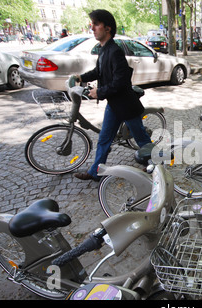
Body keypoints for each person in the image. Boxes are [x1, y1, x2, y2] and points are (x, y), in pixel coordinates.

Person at [72, 9, 152, 181]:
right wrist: (81, 77)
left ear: (107, 28)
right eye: (92, 24)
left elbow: (121, 82)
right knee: (104, 139)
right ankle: (95, 173)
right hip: (114, 105)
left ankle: (156, 163)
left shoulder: (115, 51)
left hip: (126, 105)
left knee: (141, 138)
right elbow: (98, 71)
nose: (92, 28)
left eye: (96, 24)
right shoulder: (102, 49)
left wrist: (99, 92)